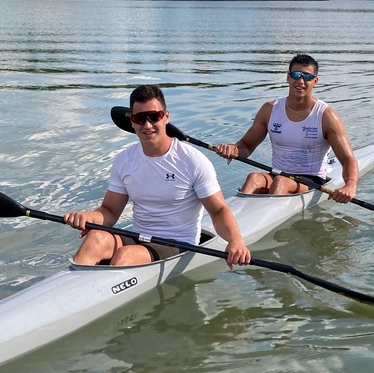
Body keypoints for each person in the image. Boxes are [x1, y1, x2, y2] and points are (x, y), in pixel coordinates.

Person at [64, 85, 252, 268]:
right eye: (140, 118)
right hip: (140, 237)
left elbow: (218, 210)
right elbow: (110, 211)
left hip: (178, 243)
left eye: (154, 117)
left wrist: (236, 240)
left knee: (125, 255)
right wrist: (88, 217)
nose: (147, 125)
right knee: (95, 237)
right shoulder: (124, 160)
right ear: (132, 122)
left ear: (166, 117)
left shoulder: (192, 160)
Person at [214, 54, 359, 203]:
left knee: (281, 182)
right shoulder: (269, 110)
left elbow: (348, 160)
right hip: (277, 174)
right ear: (288, 78)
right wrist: (232, 149)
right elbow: (246, 145)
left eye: (307, 76)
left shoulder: (326, 116)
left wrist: (350, 185)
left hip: (311, 180)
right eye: (296, 75)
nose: (300, 81)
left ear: (315, 81)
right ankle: (233, 217)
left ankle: (267, 219)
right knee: (253, 178)